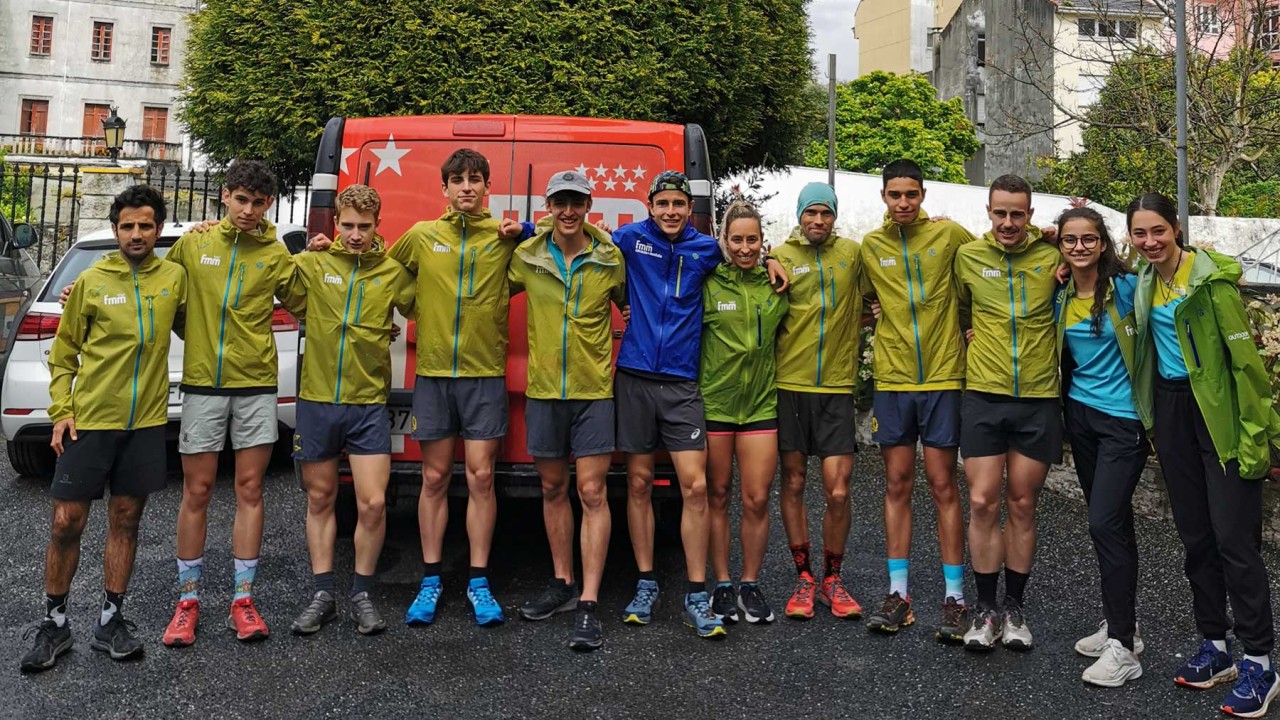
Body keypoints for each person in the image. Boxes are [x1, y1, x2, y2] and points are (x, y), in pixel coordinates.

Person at [613, 171, 787, 639]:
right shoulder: (628, 238)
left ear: (691, 209)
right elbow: (581, 242)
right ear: (649, 205)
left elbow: (745, 253)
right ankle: (646, 582)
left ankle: (695, 592)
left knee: (694, 488)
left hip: (683, 384)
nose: (671, 211)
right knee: (639, 482)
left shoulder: (706, 249)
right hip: (633, 376)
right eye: (663, 203)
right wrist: (525, 230)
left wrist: (771, 258)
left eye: (679, 204)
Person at [21, 186, 187, 672]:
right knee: (65, 521)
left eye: (146, 225)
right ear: (116, 230)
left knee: (126, 520)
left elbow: (198, 324)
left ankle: (111, 620)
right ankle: (54, 625)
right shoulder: (92, 282)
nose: (137, 234)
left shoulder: (174, 278)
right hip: (90, 421)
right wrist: (61, 410)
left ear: (158, 229)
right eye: (128, 226)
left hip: (147, 422)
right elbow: (64, 351)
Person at [1129, 192, 1280, 717]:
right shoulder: (1145, 280)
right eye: (1139, 233)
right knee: (1195, 538)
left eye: (1158, 231)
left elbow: (1248, 368)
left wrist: (1254, 437)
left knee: (1235, 542)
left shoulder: (1211, 283)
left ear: (1176, 229)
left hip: (1218, 414)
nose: (1149, 242)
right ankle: (1216, 648)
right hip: (1172, 412)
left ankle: (1261, 661)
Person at [161, 160, 304, 646]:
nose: (247, 210)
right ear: (225, 196)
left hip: (256, 384)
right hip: (203, 384)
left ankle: (242, 602)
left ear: (268, 205)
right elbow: (162, 294)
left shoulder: (277, 253)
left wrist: (333, 256)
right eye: (240, 199)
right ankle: (187, 602)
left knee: (250, 489)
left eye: (257, 202)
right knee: (196, 491)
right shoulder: (194, 243)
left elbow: (312, 301)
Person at [384, 149, 523, 627]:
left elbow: (557, 245)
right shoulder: (424, 235)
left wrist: (523, 232)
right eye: (457, 179)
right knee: (435, 478)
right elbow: (383, 271)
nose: (466, 186)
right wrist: (412, 304)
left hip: (484, 374)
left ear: (488, 187)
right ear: (443, 188)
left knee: (482, 477)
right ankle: (429, 580)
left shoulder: (504, 239)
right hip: (435, 373)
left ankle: (479, 582)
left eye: (475, 179)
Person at [287, 185, 415, 637]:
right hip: (318, 400)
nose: (355, 235)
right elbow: (266, 274)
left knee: (374, 503)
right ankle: (323, 594)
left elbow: (425, 302)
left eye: (364, 227)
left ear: (378, 225)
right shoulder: (313, 264)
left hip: (367, 404)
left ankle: (361, 592)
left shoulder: (393, 272)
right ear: (335, 224)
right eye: (347, 226)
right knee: (320, 499)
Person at [857, 159, 975, 641]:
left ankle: (955, 599)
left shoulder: (950, 237)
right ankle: (898, 595)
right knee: (897, 482)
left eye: (911, 194)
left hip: (943, 375)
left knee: (943, 483)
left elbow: (990, 261)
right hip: (893, 379)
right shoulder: (871, 246)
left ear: (923, 195)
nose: (903, 203)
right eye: (894, 195)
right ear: (884, 197)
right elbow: (863, 302)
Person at [509, 171, 627, 651]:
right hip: (543, 390)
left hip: (593, 391)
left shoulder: (609, 258)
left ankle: (589, 602)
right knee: (554, 487)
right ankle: (561, 583)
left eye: (576, 202)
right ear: (549, 205)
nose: (568, 210)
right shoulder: (526, 256)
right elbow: (474, 285)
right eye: (560, 201)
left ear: (588, 205)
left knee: (592, 491)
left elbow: (635, 307)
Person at [955, 174, 1062, 652]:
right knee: (982, 501)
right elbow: (958, 311)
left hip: (1038, 396)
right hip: (983, 394)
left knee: (1021, 503)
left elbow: (1100, 260)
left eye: (1018, 214)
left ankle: (1014, 608)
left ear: (1031, 216)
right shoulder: (969, 258)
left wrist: (1061, 234)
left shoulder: (1052, 255)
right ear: (989, 212)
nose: (1009, 222)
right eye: (1001, 212)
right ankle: (984, 609)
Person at [1053, 206, 1148, 686]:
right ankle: (1121, 626)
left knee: (1103, 523)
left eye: (1088, 239)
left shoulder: (1128, 289)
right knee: (1114, 524)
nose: (1079, 247)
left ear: (1104, 244)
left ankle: (1123, 650)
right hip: (1081, 418)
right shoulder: (1062, 292)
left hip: (1124, 421)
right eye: (1070, 240)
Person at [772, 182, 865, 622]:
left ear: (834, 216)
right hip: (789, 384)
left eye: (825, 213)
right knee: (792, 483)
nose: (818, 221)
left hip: (836, 388)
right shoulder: (780, 255)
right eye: (810, 213)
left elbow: (887, 287)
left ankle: (833, 577)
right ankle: (804, 576)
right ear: (799, 215)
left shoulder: (852, 254)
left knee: (839, 490)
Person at [701, 201, 789, 625]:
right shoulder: (709, 282)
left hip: (760, 407)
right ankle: (721, 583)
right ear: (724, 240)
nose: (745, 247)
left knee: (755, 499)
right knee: (716, 496)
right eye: (736, 239)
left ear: (762, 239)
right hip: (716, 404)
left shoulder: (776, 283)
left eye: (752, 239)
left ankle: (750, 584)